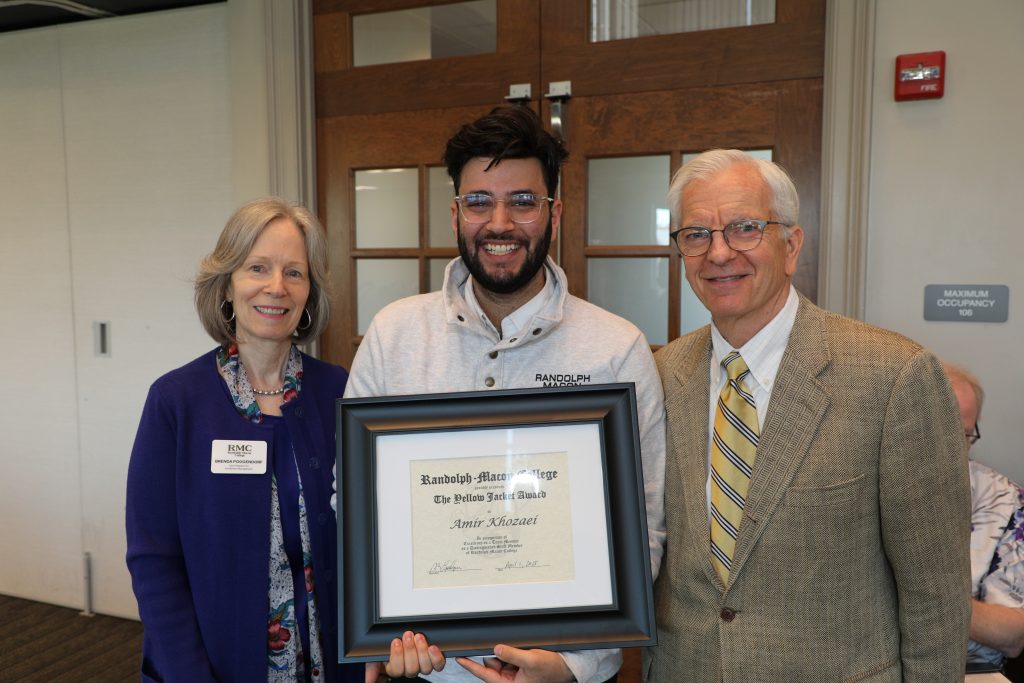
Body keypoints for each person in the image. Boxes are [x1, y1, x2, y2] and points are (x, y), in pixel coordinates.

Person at [340, 105, 666, 683]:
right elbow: (354, 502)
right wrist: (385, 631)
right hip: (427, 670)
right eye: (479, 201)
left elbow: (643, 528)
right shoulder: (393, 335)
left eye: (522, 201)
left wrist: (573, 665)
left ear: (554, 213)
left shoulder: (616, 349)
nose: (499, 222)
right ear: (455, 213)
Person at [646, 149, 971, 681]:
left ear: (791, 245)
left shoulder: (894, 377)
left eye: (744, 228)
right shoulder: (661, 374)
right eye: (696, 235)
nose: (719, 253)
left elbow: (936, 594)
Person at [126, 198, 359, 682]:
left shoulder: (337, 389)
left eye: (295, 273)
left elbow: (367, 533)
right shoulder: (176, 401)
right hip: (214, 664)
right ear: (227, 285)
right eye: (258, 268)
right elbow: (154, 561)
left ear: (309, 293)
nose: (277, 287)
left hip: (331, 662)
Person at [944, 362, 1024, 669]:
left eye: (963, 434)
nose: (949, 446)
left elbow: (1013, 635)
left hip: (971, 671)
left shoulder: (1004, 501)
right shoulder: (857, 488)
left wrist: (928, 599)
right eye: (938, 429)